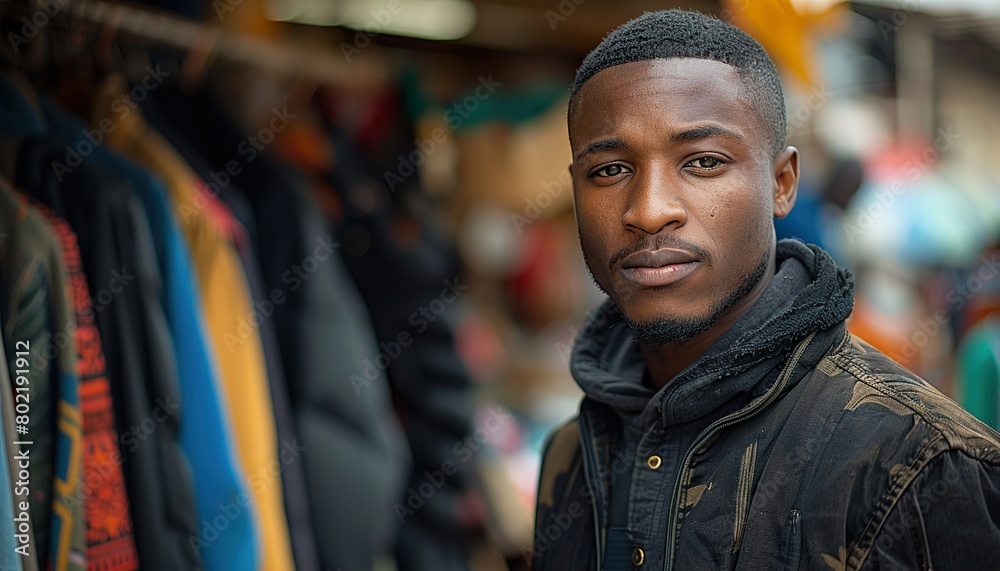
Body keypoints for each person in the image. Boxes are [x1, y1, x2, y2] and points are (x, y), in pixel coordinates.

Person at [532, 9, 1000, 570]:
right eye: (609, 170)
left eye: (703, 162)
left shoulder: (923, 465)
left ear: (781, 185)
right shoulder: (570, 457)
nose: (649, 210)